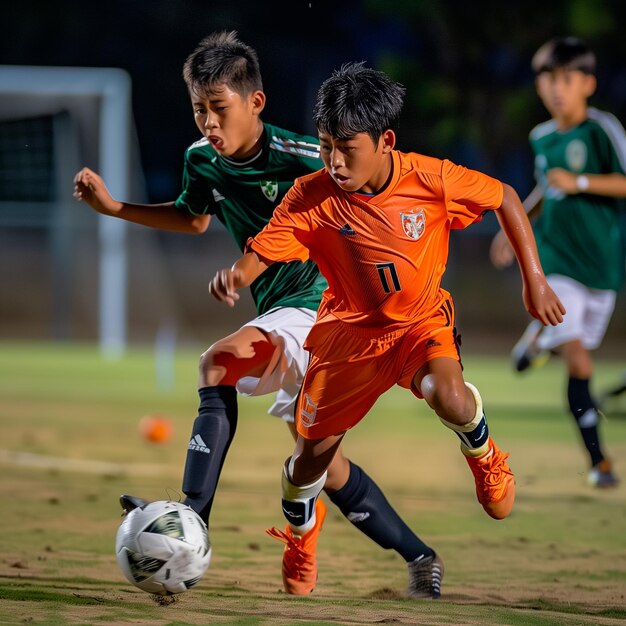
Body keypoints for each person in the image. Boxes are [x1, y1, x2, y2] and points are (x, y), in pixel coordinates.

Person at [74, 31, 444, 599]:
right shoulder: (202, 160)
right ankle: (420, 556)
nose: (208, 124)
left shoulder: (305, 163)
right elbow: (193, 218)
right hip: (284, 315)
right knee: (319, 462)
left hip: (321, 310)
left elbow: (348, 221)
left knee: (217, 364)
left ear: (256, 103)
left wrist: (246, 269)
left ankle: (190, 520)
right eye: (199, 110)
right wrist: (114, 207)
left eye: (219, 109)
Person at [208, 62, 565, 590]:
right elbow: (265, 248)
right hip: (347, 338)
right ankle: (302, 535)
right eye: (326, 144)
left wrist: (533, 280)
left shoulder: (431, 178)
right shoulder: (312, 195)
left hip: (420, 324)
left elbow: (506, 198)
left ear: (385, 141)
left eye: (346, 147)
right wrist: (237, 275)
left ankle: (484, 452)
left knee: (453, 398)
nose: (333, 160)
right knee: (309, 467)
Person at [490, 37, 626, 488]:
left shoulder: (601, 129)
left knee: (577, 347)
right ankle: (598, 460)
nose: (555, 89)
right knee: (581, 362)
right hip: (558, 265)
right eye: (547, 79)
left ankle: (537, 339)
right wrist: (514, 232)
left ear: (588, 83)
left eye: (566, 79)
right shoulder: (541, 137)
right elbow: (545, 192)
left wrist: (581, 180)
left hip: (602, 270)